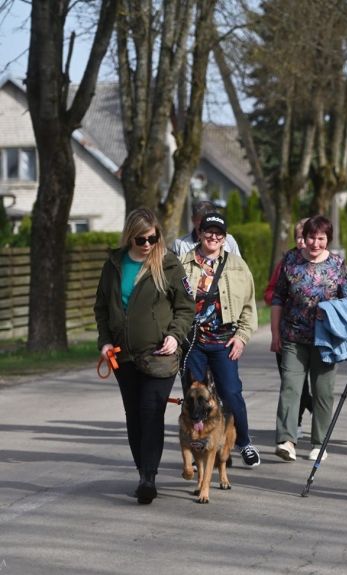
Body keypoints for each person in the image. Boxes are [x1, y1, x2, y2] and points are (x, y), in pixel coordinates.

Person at [94, 207, 195, 504]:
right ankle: (143, 471)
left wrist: (175, 336)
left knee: (151, 414)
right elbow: (101, 308)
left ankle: (148, 478)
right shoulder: (113, 264)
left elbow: (186, 307)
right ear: (130, 237)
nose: (148, 244)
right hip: (122, 355)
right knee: (134, 416)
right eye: (141, 239)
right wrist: (104, 341)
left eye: (153, 238)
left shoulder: (169, 264)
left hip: (159, 354)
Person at [271, 215, 347, 462]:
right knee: (290, 387)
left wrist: (332, 310)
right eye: (311, 237)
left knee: (323, 392)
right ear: (304, 237)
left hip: (326, 340)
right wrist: (275, 334)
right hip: (292, 336)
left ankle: (320, 442)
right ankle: (286, 440)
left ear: (328, 239)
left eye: (321, 238)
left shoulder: (337, 264)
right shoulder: (291, 260)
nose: (315, 243)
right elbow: (278, 297)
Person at [179, 212, 261, 467]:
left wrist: (242, 338)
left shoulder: (237, 265)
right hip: (193, 342)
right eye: (209, 232)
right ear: (200, 233)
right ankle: (196, 446)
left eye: (219, 233)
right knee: (193, 396)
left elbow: (249, 307)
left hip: (224, 341)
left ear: (225, 238)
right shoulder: (183, 263)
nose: (213, 237)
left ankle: (244, 442)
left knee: (231, 392)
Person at [264, 218, 313, 434]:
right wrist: (282, 301)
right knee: (292, 381)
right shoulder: (286, 262)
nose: (303, 242)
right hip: (288, 330)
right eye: (299, 237)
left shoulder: (328, 263)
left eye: (308, 236)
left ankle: (314, 411)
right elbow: (270, 292)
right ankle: (297, 422)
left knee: (314, 384)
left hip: (317, 333)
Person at [172, 199, 241, 257]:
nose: (206, 225)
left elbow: (239, 266)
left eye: (210, 223)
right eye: (201, 222)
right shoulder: (180, 244)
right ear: (193, 219)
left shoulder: (229, 240)